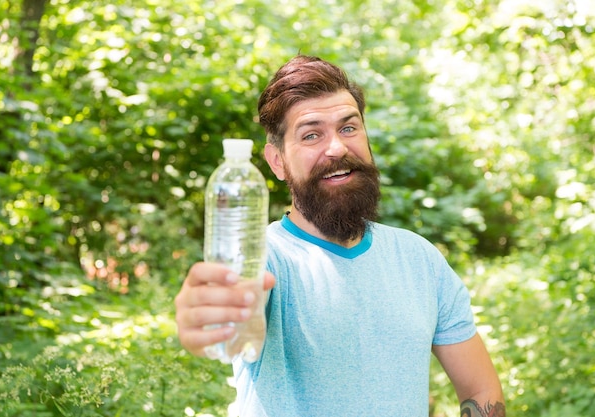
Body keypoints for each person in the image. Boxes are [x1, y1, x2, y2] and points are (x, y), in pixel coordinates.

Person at [175, 55, 505, 417]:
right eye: (311, 135)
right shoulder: (265, 256)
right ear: (277, 161)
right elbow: (232, 311)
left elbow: (480, 388)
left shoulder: (419, 258)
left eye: (349, 128)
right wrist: (207, 317)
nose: (336, 148)